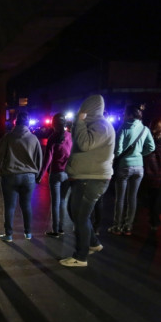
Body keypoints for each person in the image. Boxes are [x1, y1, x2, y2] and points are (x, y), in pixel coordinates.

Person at [60, 95, 115, 267]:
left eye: (82, 109)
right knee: (75, 212)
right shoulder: (96, 124)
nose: (79, 112)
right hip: (86, 177)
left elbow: (84, 144)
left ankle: (80, 257)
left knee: (81, 217)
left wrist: (80, 122)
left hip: (91, 179)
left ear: (89, 109)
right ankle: (93, 243)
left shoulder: (101, 125)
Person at [0, 111, 43, 242]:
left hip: (10, 176)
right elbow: (39, 160)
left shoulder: (8, 137)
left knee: (10, 206)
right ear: (27, 123)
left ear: (15, 122)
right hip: (29, 177)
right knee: (26, 205)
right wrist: (36, 176)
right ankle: (28, 233)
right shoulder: (34, 139)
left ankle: (8, 235)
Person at [108, 103, 155, 236]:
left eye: (124, 114)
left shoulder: (123, 127)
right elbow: (151, 147)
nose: (123, 116)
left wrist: (117, 157)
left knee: (120, 198)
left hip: (124, 166)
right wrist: (139, 154)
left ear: (129, 115)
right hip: (139, 168)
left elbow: (118, 150)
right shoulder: (145, 129)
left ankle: (117, 226)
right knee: (132, 197)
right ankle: (128, 227)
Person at [37, 112, 72, 238]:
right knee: (63, 201)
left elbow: (48, 159)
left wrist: (41, 175)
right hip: (67, 174)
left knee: (55, 203)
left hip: (56, 173)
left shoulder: (52, 138)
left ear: (53, 124)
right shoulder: (71, 136)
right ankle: (61, 228)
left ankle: (55, 230)